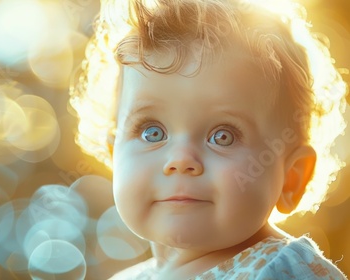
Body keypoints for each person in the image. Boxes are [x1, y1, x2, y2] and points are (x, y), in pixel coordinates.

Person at [69, 0, 348, 278]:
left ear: (292, 178)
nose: (180, 160)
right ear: (114, 155)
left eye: (222, 136)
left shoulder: (283, 270)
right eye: (152, 132)